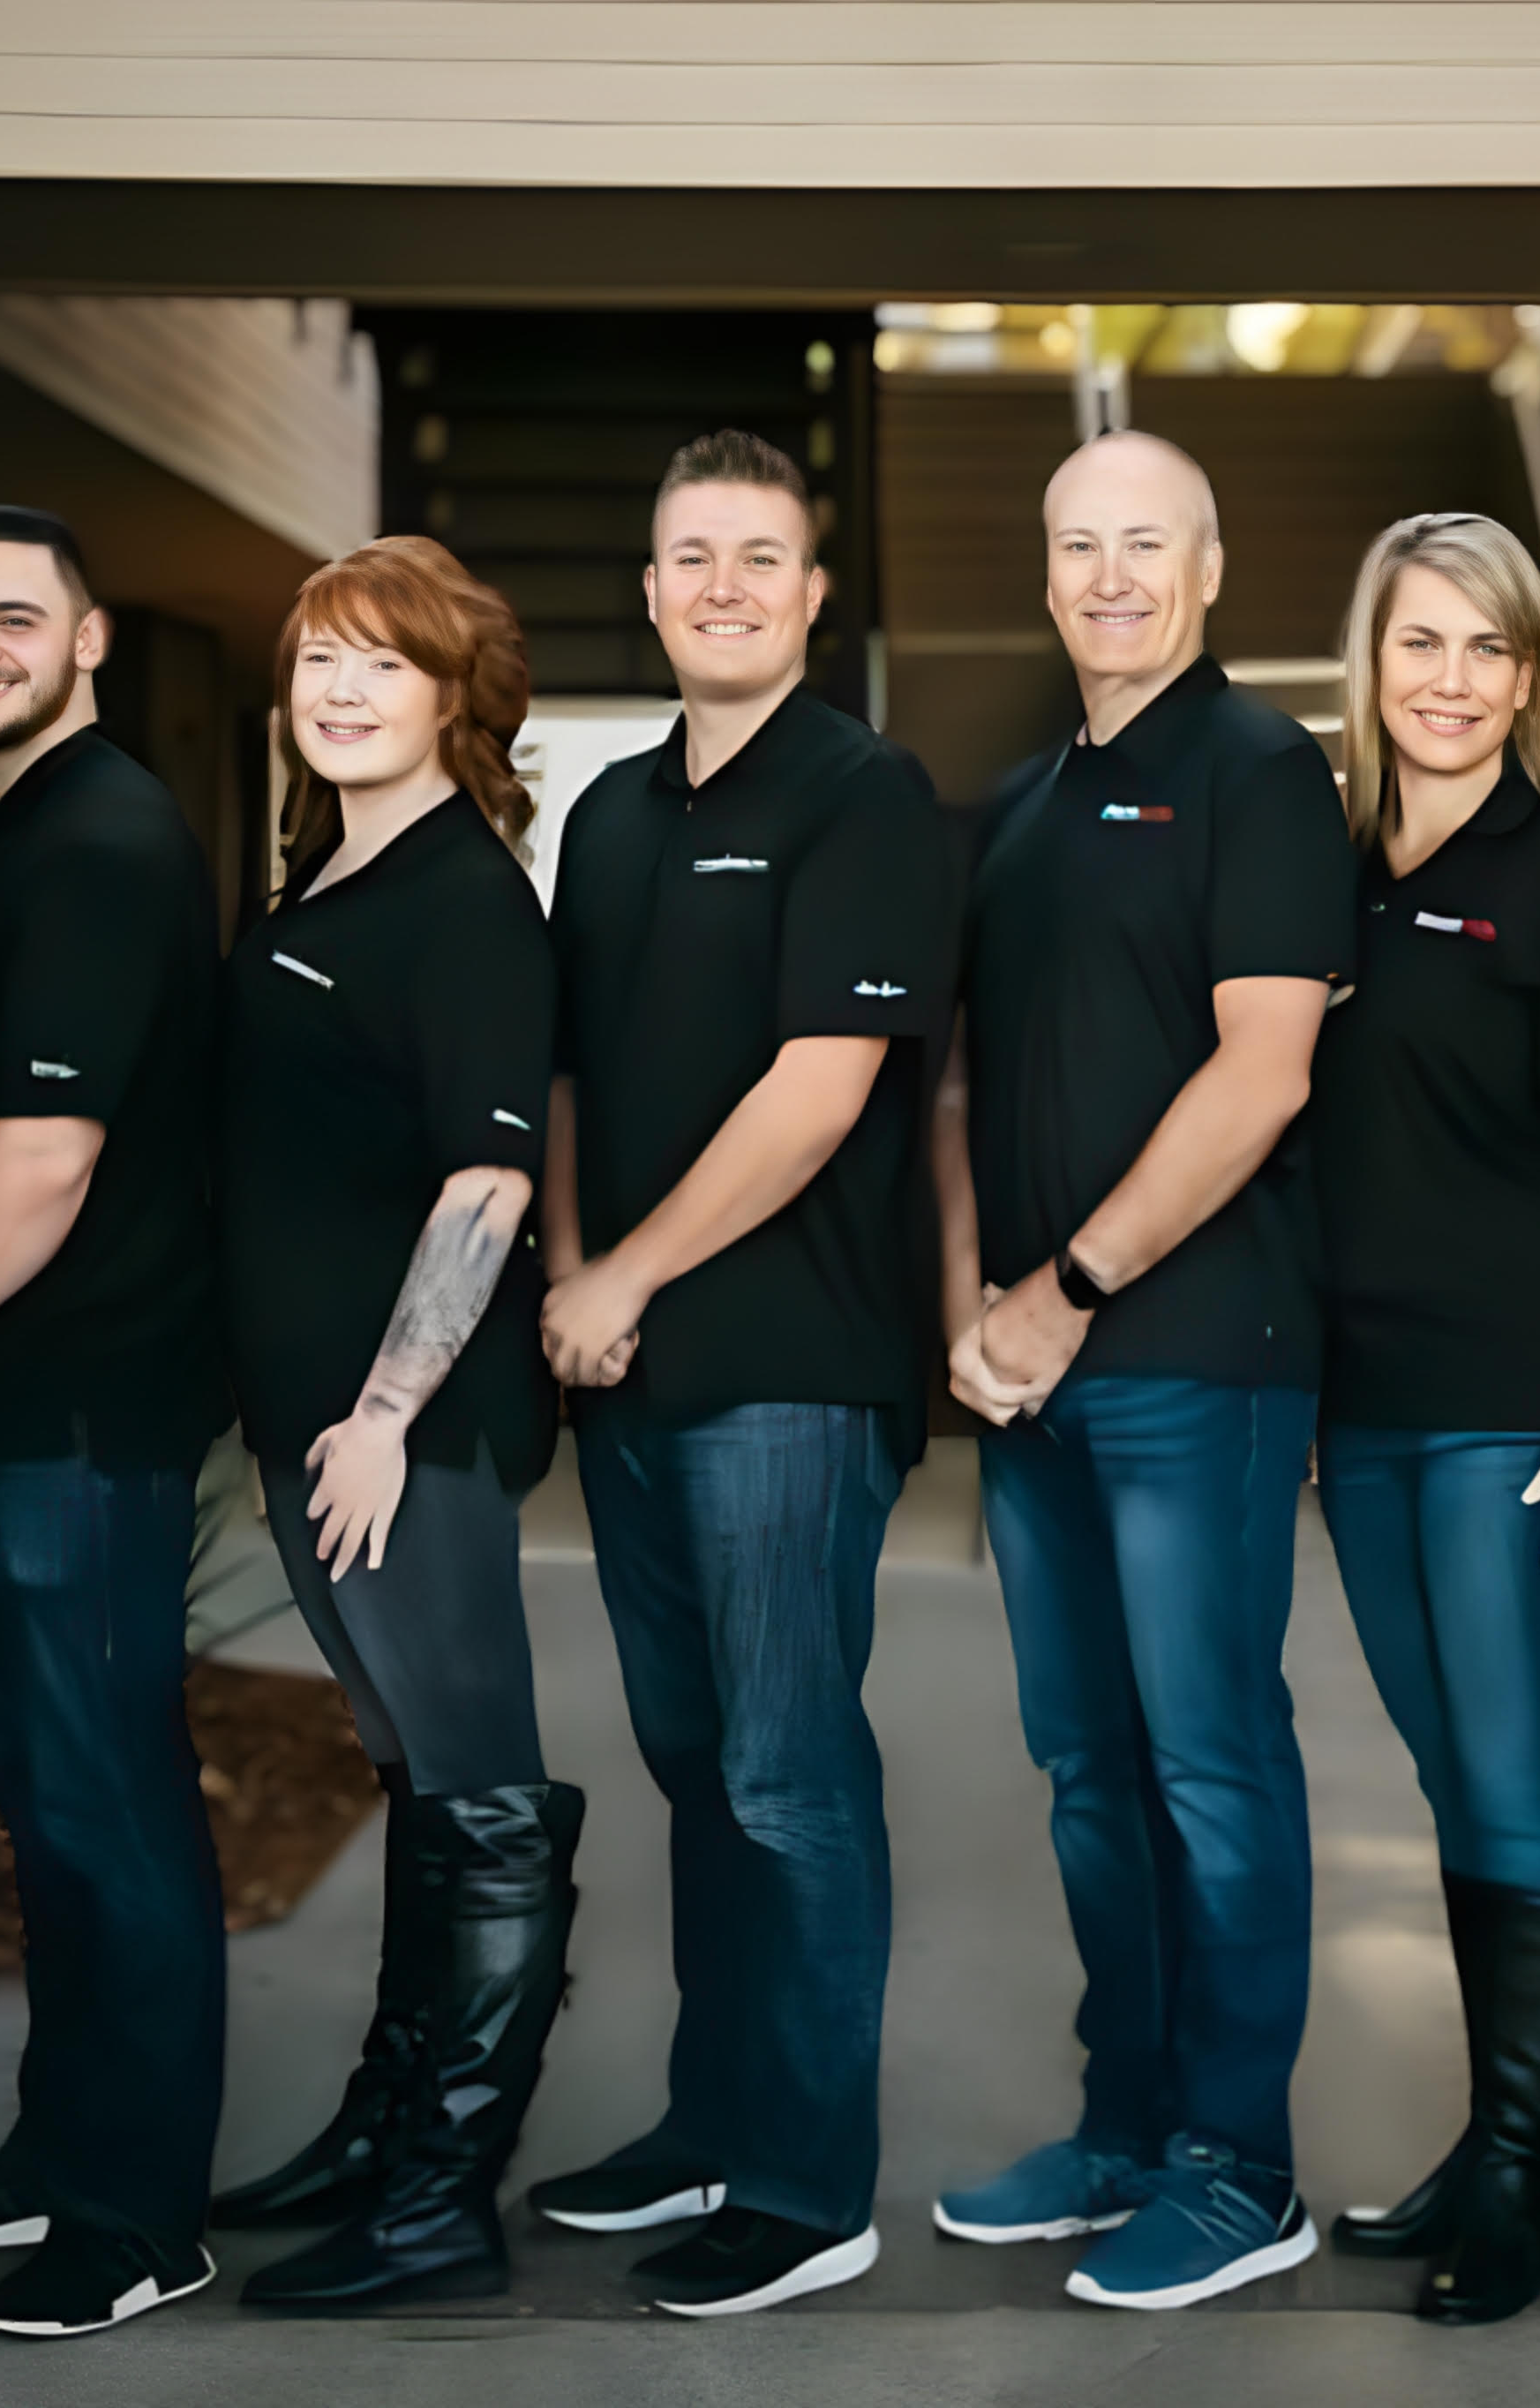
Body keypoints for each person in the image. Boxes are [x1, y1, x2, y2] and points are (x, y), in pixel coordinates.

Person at [523, 431, 952, 2318]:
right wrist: (570, 1279)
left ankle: (806, 2182)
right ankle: (714, 2121)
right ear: (647, 590)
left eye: (758, 556)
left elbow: (822, 1088)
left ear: (811, 593)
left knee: (787, 1775)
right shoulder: (607, 813)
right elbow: (566, 1077)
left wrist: (621, 1271)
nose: (722, 586)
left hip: (788, 1369)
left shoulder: (866, 794)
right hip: (626, 1366)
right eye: (690, 555)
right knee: (695, 1771)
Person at [933, 430, 1356, 2312]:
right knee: (1087, 1768)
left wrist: (1069, 1285)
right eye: (1078, 545)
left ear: (1208, 569)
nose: (1109, 576)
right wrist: (976, 1304)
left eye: (1145, 543)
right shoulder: (1023, 802)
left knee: (1209, 1760)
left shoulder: (1260, 771)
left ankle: (1239, 2166)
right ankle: (1125, 2128)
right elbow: (965, 1082)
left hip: (1194, 1354)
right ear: (1045, 574)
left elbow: (1264, 1070)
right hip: (1033, 1369)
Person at [0, 506, 234, 2340]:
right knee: (41, 1794)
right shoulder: (1, 829)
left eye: (16, 615)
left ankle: (139, 2213)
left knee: (109, 1799)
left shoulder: (100, 840)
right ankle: (61, 2145)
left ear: (89, 640)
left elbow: (49, 1146)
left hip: (84, 1401)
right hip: (1, 1397)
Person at [204, 538, 580, 2312]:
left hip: (402, 1433)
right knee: (418, 1778)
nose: (341, 691)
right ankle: (386, 2128)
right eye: (318, 662)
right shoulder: (325, 876)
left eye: (382, 662)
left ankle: (443, 2202)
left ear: (453, 697)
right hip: (311, 1420)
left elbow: (486, 1182)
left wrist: (379, 1410)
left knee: (479, 1789)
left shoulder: (464, 900)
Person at [1303, 515, 1540, 2325]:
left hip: (1515, 1408)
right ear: (1371, 663)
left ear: (1529, 679)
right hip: (1361, 1411)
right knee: (1452, 1773)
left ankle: (1514, 2175)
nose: (1449, 682)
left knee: (1516, 1777)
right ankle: (1511, 2144)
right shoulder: (1328, 868)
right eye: (1419, 643)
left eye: (1487, 649)